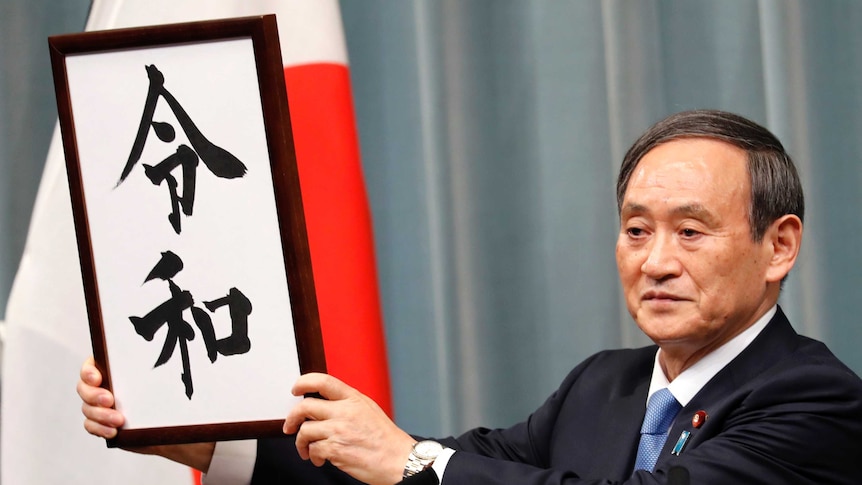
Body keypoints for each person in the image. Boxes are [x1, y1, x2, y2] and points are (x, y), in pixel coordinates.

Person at [78, 109, 862, 484]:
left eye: (689, 233)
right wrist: (207, 440)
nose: (655, 261)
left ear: (779, 246)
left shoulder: (817, 399)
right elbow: (439, 475)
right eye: (634, 230)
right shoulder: (605, 383)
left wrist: (411, 458)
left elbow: (429, 470)